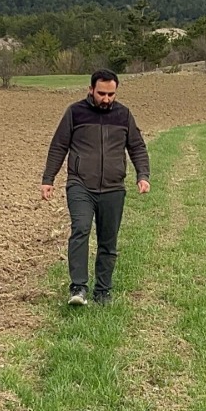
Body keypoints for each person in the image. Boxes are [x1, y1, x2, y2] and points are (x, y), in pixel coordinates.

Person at [40, 69, 151, 306]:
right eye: (101, 93)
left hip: (113, 188)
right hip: (80, 184)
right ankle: (78, 288)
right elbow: (59, 146)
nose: (106, 99)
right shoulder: (75, 112)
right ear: (90, 89)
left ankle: (103, 291)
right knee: (80, 229)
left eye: (111, 94)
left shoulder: (123, 115)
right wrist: (48, 179)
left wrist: (143, 175)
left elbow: (137, 147)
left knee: (108, 240)